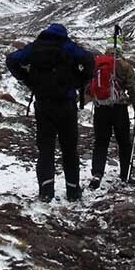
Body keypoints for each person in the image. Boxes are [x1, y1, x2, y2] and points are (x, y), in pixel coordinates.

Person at [6, 23, 95, 202]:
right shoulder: (67, 46)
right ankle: (73, 191)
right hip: (66, 104)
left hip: (43, 104)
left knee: (45, 149)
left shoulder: (35, 47)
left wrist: (28, 80)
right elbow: (89, 60)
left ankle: (46, 191)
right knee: (69, 149)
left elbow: (11, 59)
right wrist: (79, 82)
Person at [88, 43, 135, 190]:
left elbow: (89, 86)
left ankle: (97, 174)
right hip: (119, 109)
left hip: (100, 109)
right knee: (124, 142)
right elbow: (132, 89)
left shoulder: (97, 64)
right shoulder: (125, 66)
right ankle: (125, 174)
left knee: (100, 142)